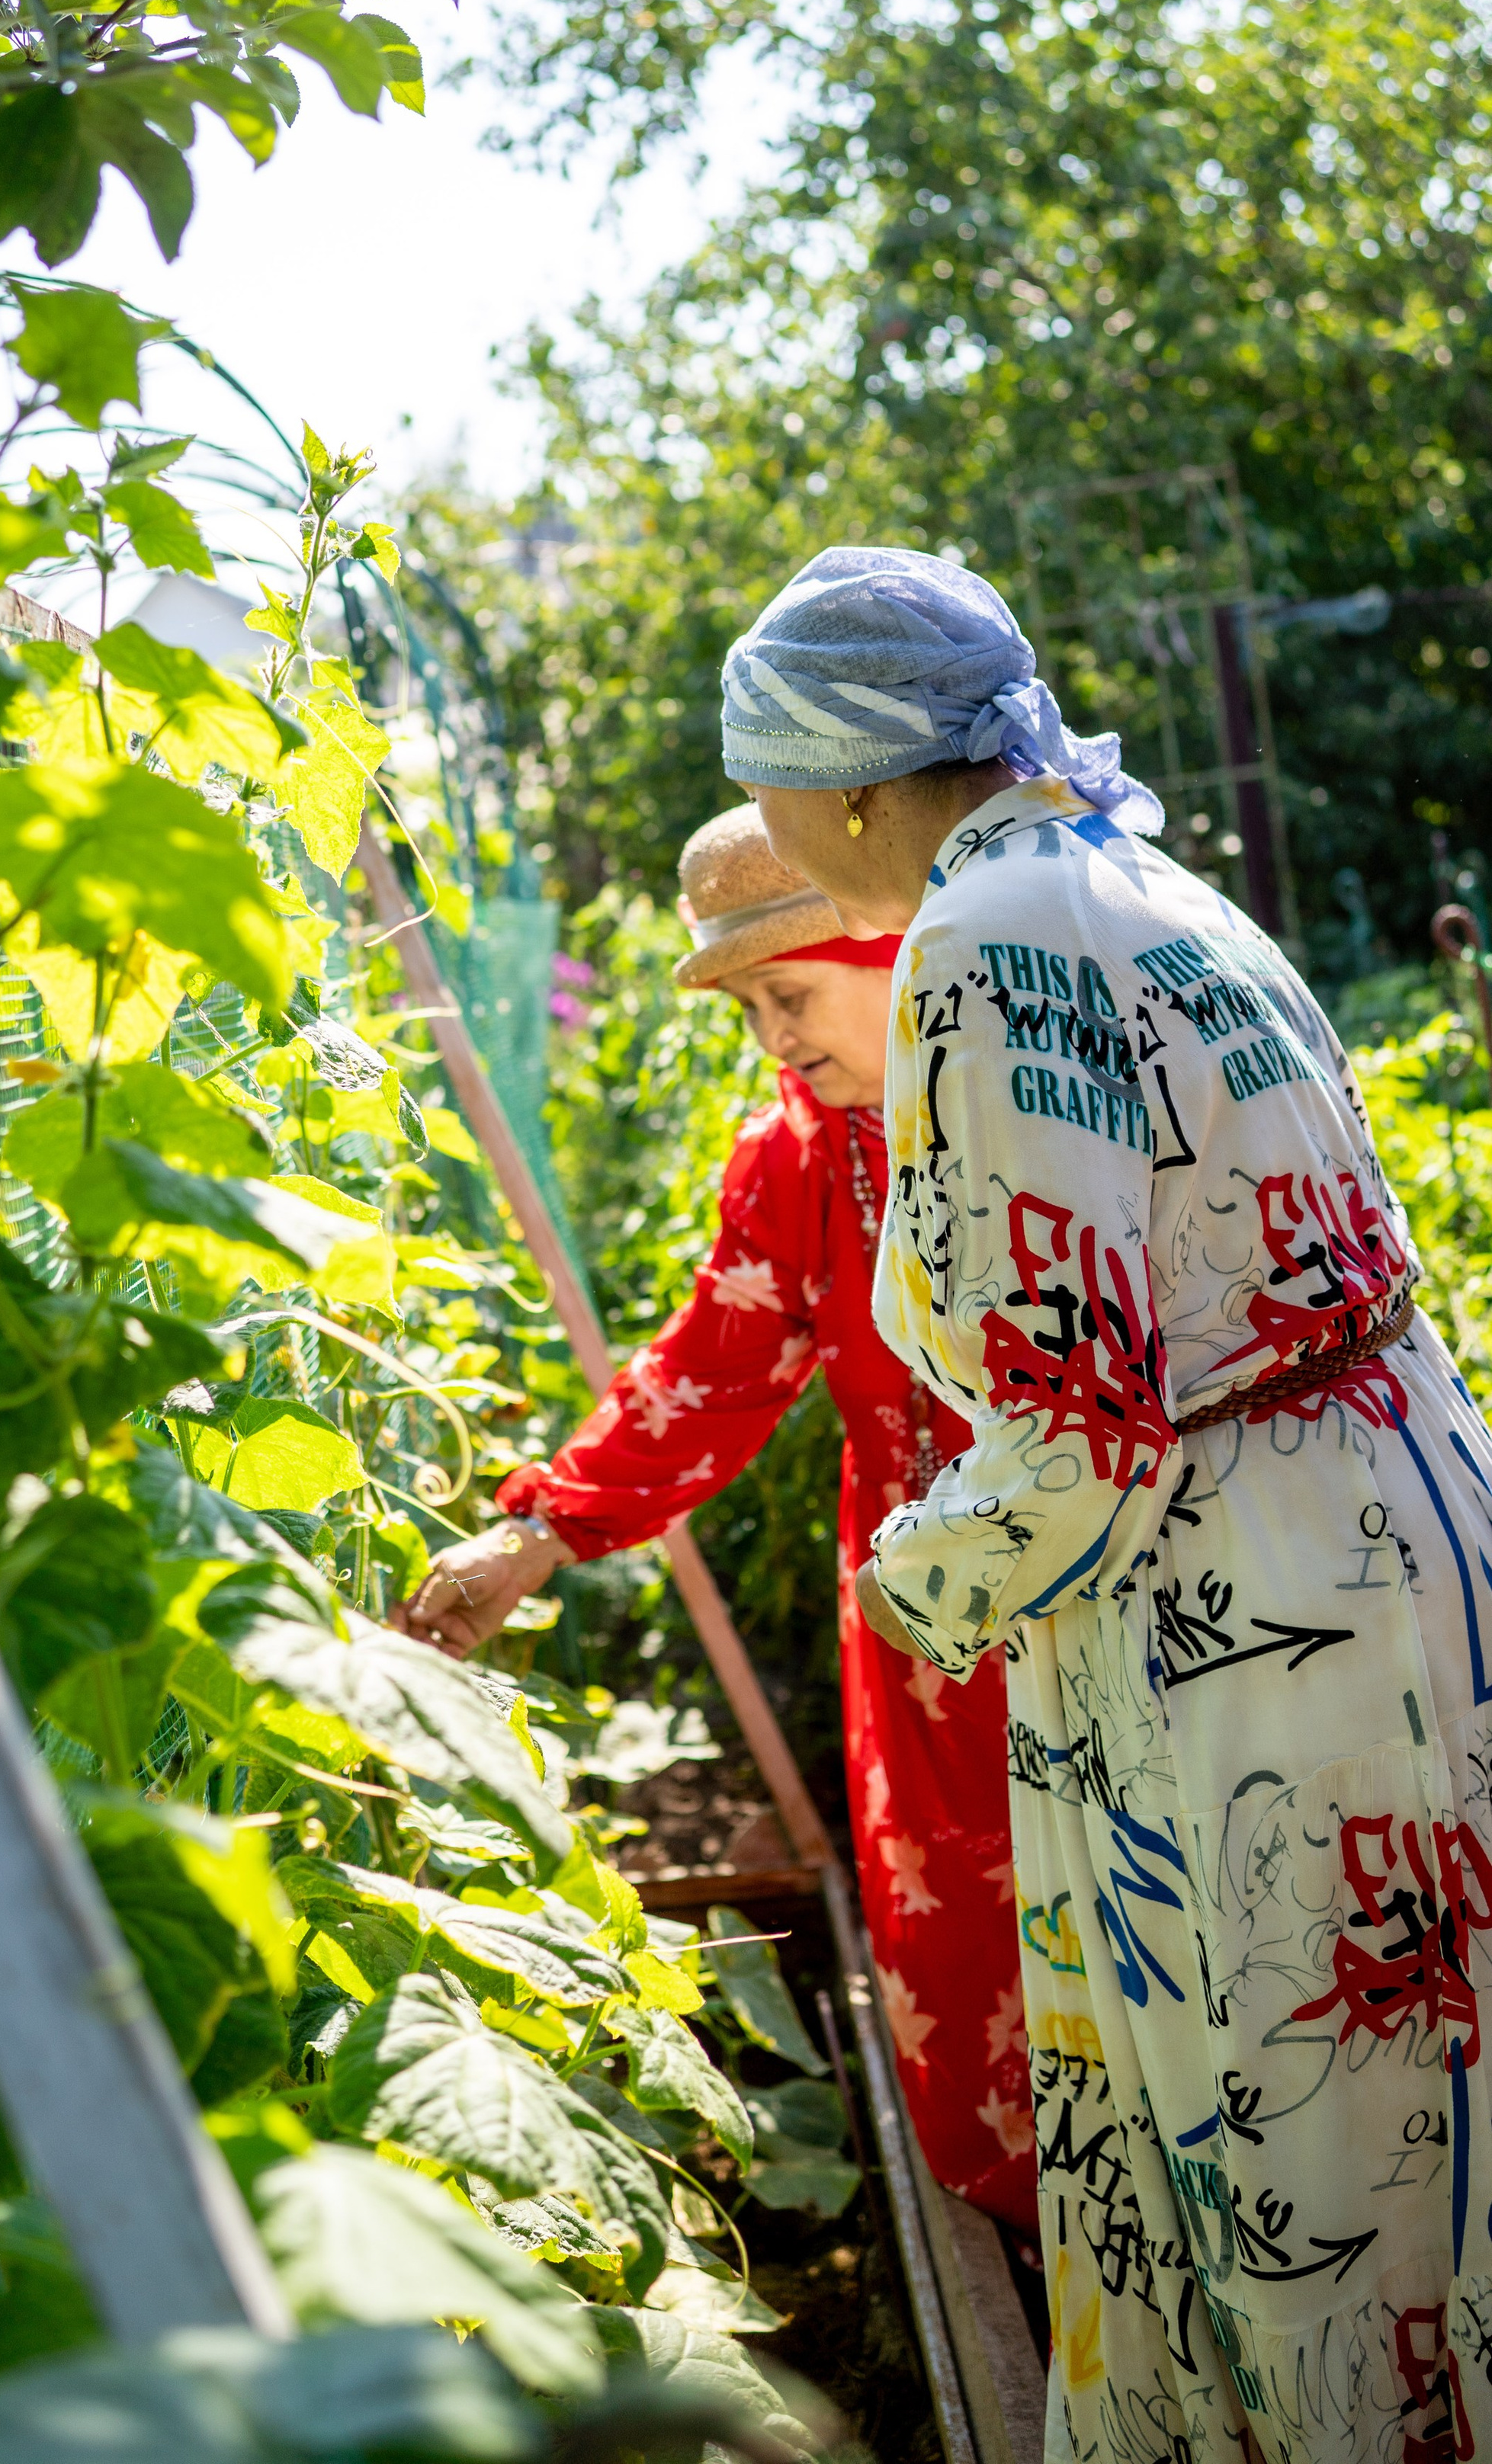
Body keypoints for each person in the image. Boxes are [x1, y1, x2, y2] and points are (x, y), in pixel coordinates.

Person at [702, 541, 1492, 2464]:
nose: (774, 824)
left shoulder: (993, 933)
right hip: (1382, 1528)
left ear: (858, 782)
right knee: (1418, 2132)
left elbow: (1075, 1426)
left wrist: (909, 1582)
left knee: (1296, 2148)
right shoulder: (1142, 882)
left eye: (773, 783)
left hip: (1254, 1618)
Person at [399, 803, 1038, 2240]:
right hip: (932, 1636)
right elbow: (710, 1372)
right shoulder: (802, 1159)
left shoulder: (1050, 1105)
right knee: (977, 1964)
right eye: (746, 1007)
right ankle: (1051, 2280)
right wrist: (539, 1532)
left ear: (898, 951)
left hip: (1129, 1608)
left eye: (789, 995)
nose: (771, 1039)